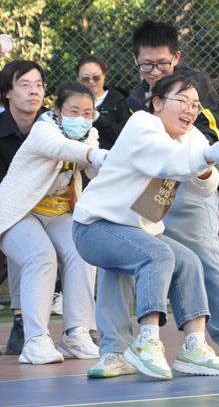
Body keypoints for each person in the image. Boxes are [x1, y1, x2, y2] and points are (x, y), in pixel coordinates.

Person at [89, 20, 219, 378]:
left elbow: (204, 137)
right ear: (135, 60)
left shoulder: (193, 87)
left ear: (176, 58)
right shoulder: (135, 104)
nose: (154, 71)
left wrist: (206, 159)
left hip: (189, 183)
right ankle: (116, 349)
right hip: (152, 191)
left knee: (201, 256)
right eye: (147, 65)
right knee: (123, 257)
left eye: (162, 64)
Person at [0, 82, 104, 364]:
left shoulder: (89, 134)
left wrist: (102, 161)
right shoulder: (43, 130)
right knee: (41, 255)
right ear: (57, 111)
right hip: (18, 213)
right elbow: (62, 149)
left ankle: (76, 333)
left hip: (58, 214)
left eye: (87, 113)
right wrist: (93, 155)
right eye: (73, 111)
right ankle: (35, 340)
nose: (81, 118)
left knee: (83, 249)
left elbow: (93, 170)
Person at [0, 60, 49, 356]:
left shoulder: (53, 127)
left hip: (49, 211)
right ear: (7, 92)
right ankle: (22, 324)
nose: (34, 91)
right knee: (25, 232)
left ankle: (81, 328)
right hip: (7, 210)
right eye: (25, 85)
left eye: (39, 85)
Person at [76, 55, 129, 150]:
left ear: (104, 75)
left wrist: (98, 118)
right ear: (78, 79)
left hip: (110, 155)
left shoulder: (117, 100)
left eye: (96, 77)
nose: (91, 82)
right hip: (79, 155)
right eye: (85, 79)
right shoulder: (72, 101)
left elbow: (126, 135)